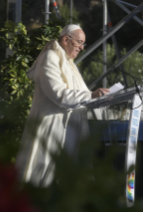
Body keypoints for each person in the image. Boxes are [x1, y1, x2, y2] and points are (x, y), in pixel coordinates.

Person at [15, 24, 109, 186]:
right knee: (47, 179)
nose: (81, 48)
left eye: (83, 44)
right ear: (66, 39)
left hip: (71, 130)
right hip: (54, 129)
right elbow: (58, 94)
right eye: (79, 42)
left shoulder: (69, 64)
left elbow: (83, 96)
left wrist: (104, 97)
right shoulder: (50, 57)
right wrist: (92, 95)